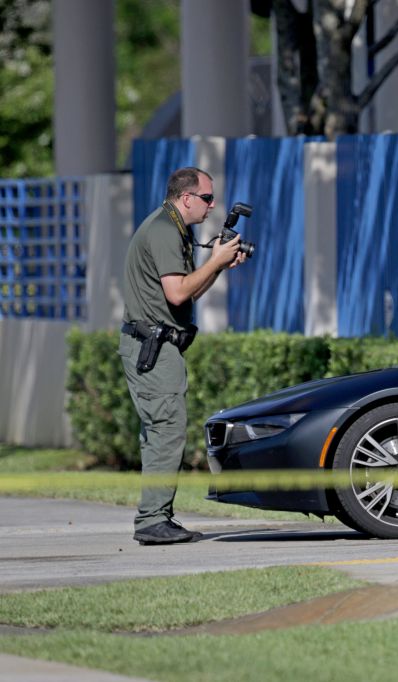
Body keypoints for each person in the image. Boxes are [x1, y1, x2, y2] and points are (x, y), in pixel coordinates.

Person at [120, 167, 247, 545]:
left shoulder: (176, 228)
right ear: (186, 198)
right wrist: (214, 262)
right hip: (152, 348)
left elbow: (189, 293)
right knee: (166, 430)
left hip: (161, 345)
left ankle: (156, 517)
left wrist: (218, 266)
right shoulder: (162, 231)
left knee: (163, 430)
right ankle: (152, 521)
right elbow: (177, 293)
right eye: (207, 198)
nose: (212, 205)